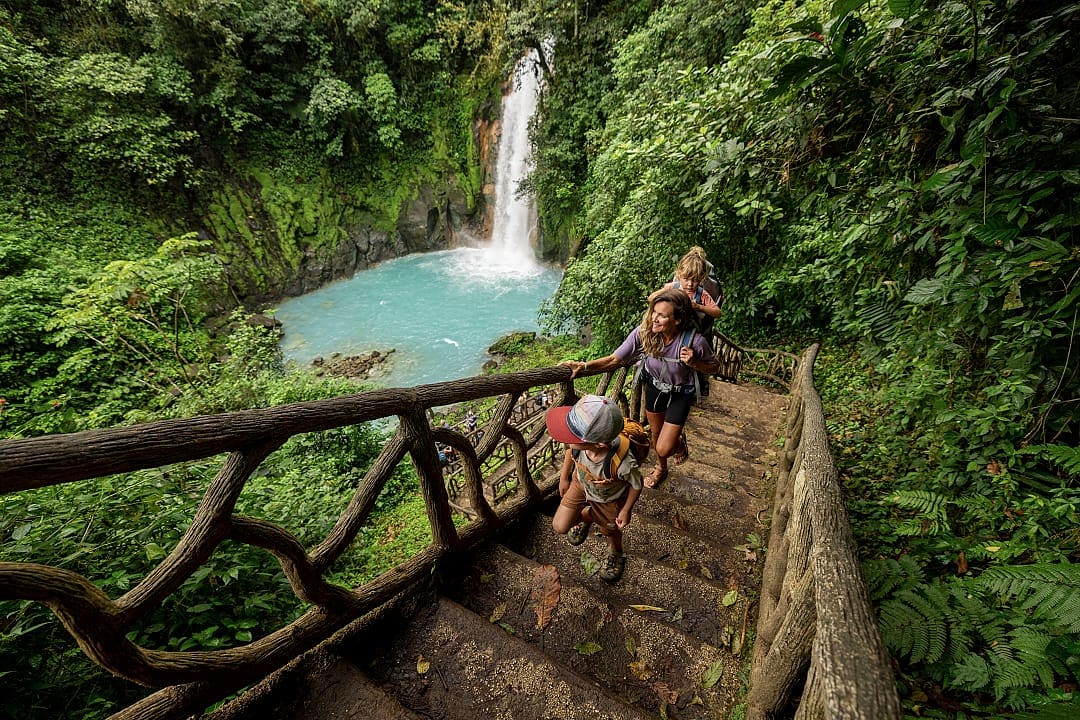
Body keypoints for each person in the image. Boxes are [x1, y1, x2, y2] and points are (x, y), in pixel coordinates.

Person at [562, 288, 720, 489]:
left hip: (681, 392)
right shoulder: (644, 333)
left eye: (662, 316)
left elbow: (714, 367)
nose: (654, 318)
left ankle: (677, 443)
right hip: (654, 385)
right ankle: (661, 468)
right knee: (656, 434)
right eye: (654, 312)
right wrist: (583, 366)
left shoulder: (694, 341)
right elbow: (614, 359)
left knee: (664, 446)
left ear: (677, 319)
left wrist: (695, 362)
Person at [546, 394, 643, 582]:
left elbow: (637, 484)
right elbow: (570, 451)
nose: (566, 438)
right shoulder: (579, 446)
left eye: (571, 435)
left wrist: (626, 510)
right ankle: (590, 516)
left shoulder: (623, 464)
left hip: (608, 499)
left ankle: (616, 552)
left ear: (598, 443)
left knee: (610, 530)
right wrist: (564, 477)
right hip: (580, 484)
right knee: (560, 526)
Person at [648, 246, 721, 333]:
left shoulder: (701, 294)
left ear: (701, 279)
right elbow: (651, 298)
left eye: (695, 280)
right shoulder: (672, 287)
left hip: (691, 333)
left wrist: (699, 307)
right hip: (671, 329)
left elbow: (718, 313)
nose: (690, 284)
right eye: (686, 279)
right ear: (679, 276)